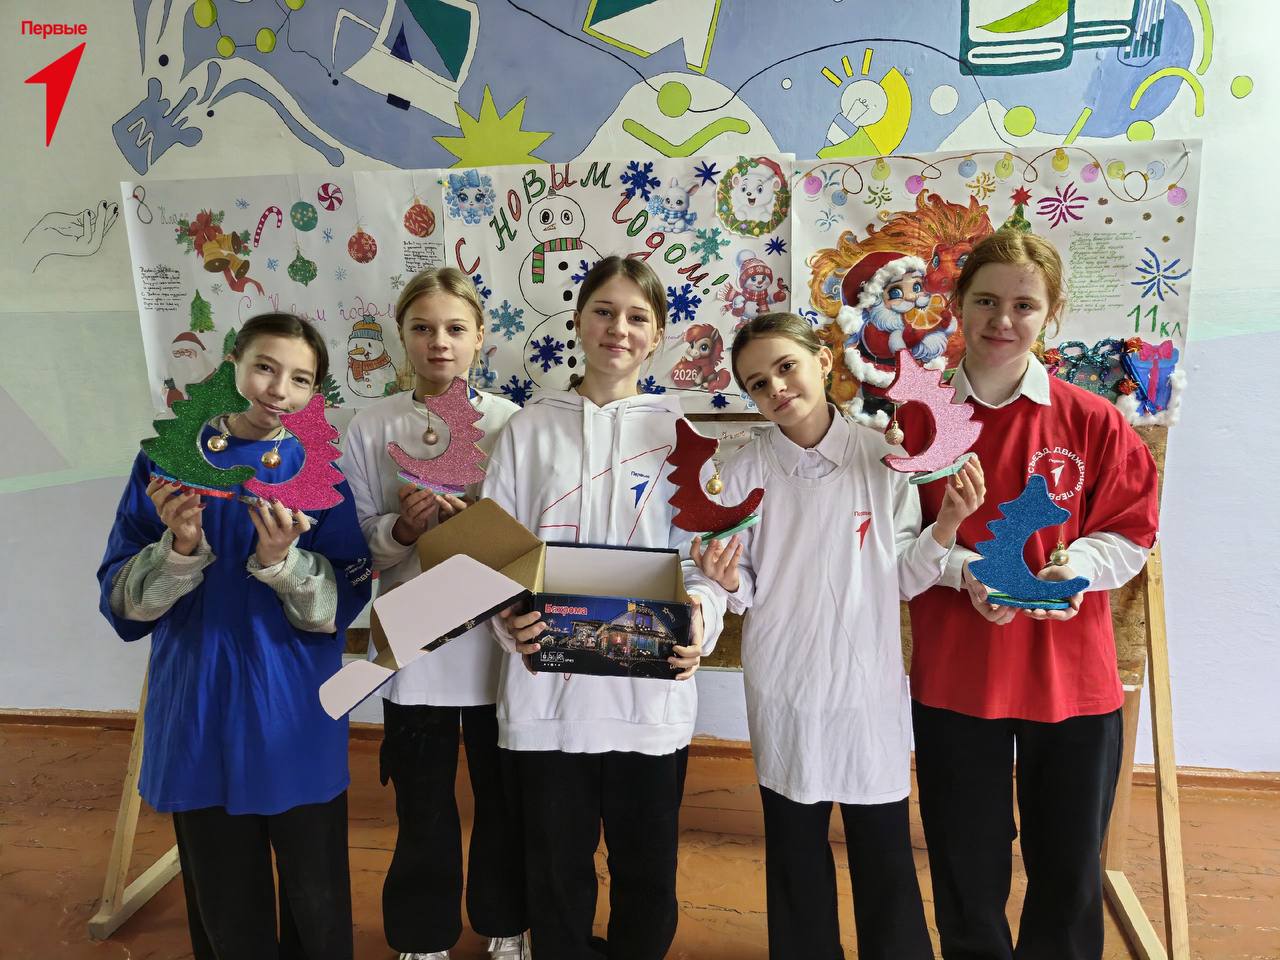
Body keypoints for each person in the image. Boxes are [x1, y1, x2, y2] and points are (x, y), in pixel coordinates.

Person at [690, 310, 984, 959]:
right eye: (758, 383)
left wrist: (946, 526)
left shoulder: (884, 456)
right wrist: (728, 580)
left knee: (883, 848)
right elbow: (748, 584)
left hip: (864, 684)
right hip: (784, 682)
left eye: (786, 367)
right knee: (794, 846)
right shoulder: (741, 470)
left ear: (823, 361)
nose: (776, 388)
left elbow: (902, 575)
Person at [904, 230, 1160, 959]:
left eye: (1024, 304)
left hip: (1070, 680)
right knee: (964, 862)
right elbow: (895, 543)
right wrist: (965, 571)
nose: (1002, 319)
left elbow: (1131, 532)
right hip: (959, 675)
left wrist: (1076, 566)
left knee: (1069, 868)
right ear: (958, 304)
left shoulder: (1093, 420)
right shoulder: (917, 421)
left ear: (1051, 313)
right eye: (986, 300)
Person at [97, 313, 372, 960]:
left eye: (300, 379)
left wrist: (283, 562)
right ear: (232, 365)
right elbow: (121, 596)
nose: (279, 389)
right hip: (199, 700)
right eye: (265, 368)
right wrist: (179, 547)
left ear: (314, 393)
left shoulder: (320, 472)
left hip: (294, 707)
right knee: (224, 905)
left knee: (317, 897)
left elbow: (342, 598)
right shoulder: (167, 462)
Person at [482, 256, 725, 960]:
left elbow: (706, 564)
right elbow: (497, 553)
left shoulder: (683, 436)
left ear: (658, 335)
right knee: (555, 865)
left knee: (646, 867)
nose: (619, 328)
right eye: (604, 311)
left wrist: (701, 619)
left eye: (637, 317)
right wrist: (509, 617)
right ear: (578, 321)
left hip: (647, 696)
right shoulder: (529, 429)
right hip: (548, 692)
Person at [339, 268, 527, 960]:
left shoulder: (513, 424)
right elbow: (358, 542)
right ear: (402, 336)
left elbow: (531, 538)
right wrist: (404, 529)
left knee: (503, 798)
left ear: (479, 336)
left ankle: (507, 921)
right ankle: (422, 934)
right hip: (414, 641)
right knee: (421, 800)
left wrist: (476, 523)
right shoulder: (370, 426)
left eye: (454, 328)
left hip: (497, 643)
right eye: (422, 328)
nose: (438, 342)